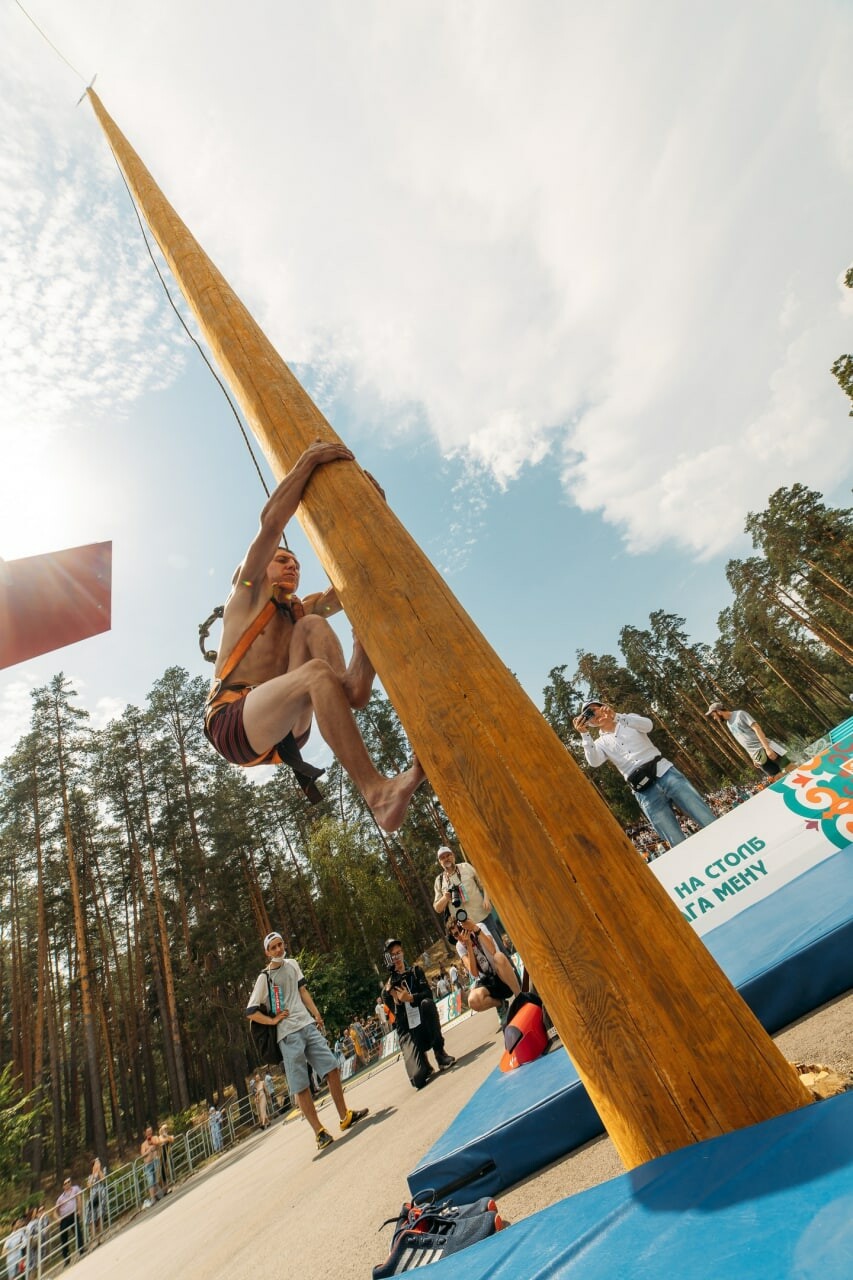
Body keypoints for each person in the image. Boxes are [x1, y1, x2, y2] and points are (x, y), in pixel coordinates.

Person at [203, 440, 424, 833]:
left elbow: (352, 585)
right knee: (317, 673)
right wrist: (308, 460)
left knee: (314, 624)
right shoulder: (246, 591)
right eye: (283, 560)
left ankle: (354, 684)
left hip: (289, 730)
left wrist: (375, 512)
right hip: (233, 724)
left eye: (297, 563)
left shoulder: (299, 609)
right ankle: (377, 794)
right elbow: (271, 524)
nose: (292, 566)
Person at [246, 931, 368, 1152]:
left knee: (331, 1067)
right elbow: (251, 1011)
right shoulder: (264, 977)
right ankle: (319, 1132)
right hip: (287, 1035)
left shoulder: (292, 964)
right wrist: (273, 1021)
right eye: (272, 947)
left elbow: (302, 990)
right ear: (267, 952)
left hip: (307, 1024)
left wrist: (316, 1014)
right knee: (301, 1086)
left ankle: (345, 1116)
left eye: (280, 944)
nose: (278, 950)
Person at [574, 701, 717, 849]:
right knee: (674, 838)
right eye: (589, 715)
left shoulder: (629, 720)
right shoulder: (599, 743)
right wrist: (585, 735)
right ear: (589, 722)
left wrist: (616, 716)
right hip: (644, 790)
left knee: (704, 816)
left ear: (603, 707)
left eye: (595, 709)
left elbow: (648, 725)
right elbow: (594, 762)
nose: (595, 715)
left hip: (665, 773)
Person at [382, 938, 455, 1090]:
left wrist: (411, 998)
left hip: (423, 1022)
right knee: (418, 1079)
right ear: (388, 960)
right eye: (393, 956)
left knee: (427, 1004)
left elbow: (428, 993)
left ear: (403, 953)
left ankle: (439, 1054)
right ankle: (423, 1063)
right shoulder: (387, 991)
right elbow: (398, 1023)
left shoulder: (416, 971)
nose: (397, 958)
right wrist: (397, 1002)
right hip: (409, 1032)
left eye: (398, 953)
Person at [433, 847, 510, 956]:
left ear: (453, 856)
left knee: (500, 952)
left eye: (448, 855)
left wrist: (486, 898)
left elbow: (484, 883)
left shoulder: (466, 867)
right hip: (465, 929)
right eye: (442, 858)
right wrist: (445, 897)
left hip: (483, 918)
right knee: (486, 960)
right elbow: (437, 908)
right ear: (440, 862)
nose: (446, 859)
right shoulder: (439, 881)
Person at [450, 917, 520, 1026]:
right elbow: (474, 973)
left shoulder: (479, 927)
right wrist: (468, 945)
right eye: (455, 934)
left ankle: (520, 997)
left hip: (501, 974)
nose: (460, 935)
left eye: (460, 929)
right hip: (486, 980)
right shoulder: (460, 946)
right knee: (472, 1000)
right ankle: (500, 1004)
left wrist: (474, 928)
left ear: (464, 926)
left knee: (499, 957)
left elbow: (492, 949)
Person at [706, 702, 789, 777]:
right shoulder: (728, 724)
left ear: (718, 711)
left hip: (767, 747)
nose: (714, 718)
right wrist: (752, 757)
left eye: (713, 715)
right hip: (757, 756)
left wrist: (767, 748)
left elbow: (757, 728)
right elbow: (743, 741)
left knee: (790, 767)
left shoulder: (740, 714)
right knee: (778, 777)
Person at [54, 1176, 84, 1263]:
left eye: (69, 1182)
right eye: (65, 1183)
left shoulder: (75, 1189)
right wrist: (57, 1219)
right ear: (63, 1186)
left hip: (73, 1214)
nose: (67, 1184)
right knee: (64, 1237)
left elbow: (79, 1198)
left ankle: (81, 1249)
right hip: (64, 1218)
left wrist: (79, 1210)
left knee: (78, 1231)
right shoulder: (60, 1198)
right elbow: (54, 1212)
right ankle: (66, 1257)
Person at [86, 1157, 107, 1245]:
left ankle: (101, 1234)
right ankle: (94, 1237)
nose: (98, 1165)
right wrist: (94, 1173)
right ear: (93, 1166)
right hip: (93, 1197)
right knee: (92, 1216)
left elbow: (103, 1179)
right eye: (96, 1163)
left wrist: (98, 1171)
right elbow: (89, 1185)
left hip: (100, 1195)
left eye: (99, 1163)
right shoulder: (90, 1176)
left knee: (100, 1214)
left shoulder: (102, 1171)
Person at [140, 1127, 162, 1206]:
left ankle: (157, 1194)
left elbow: (159, 1145)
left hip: (155, 1160)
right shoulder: (143, 1144)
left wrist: (155, 1145)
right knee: (150, 1180)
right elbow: (142, 1155)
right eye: (148, 1131)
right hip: (148, 1164)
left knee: (157, 1178)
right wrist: (149, 1150)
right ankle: (152, 1197)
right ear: (145, 1133)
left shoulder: (155, 1138)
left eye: (150, 1131)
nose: (149, 1133)